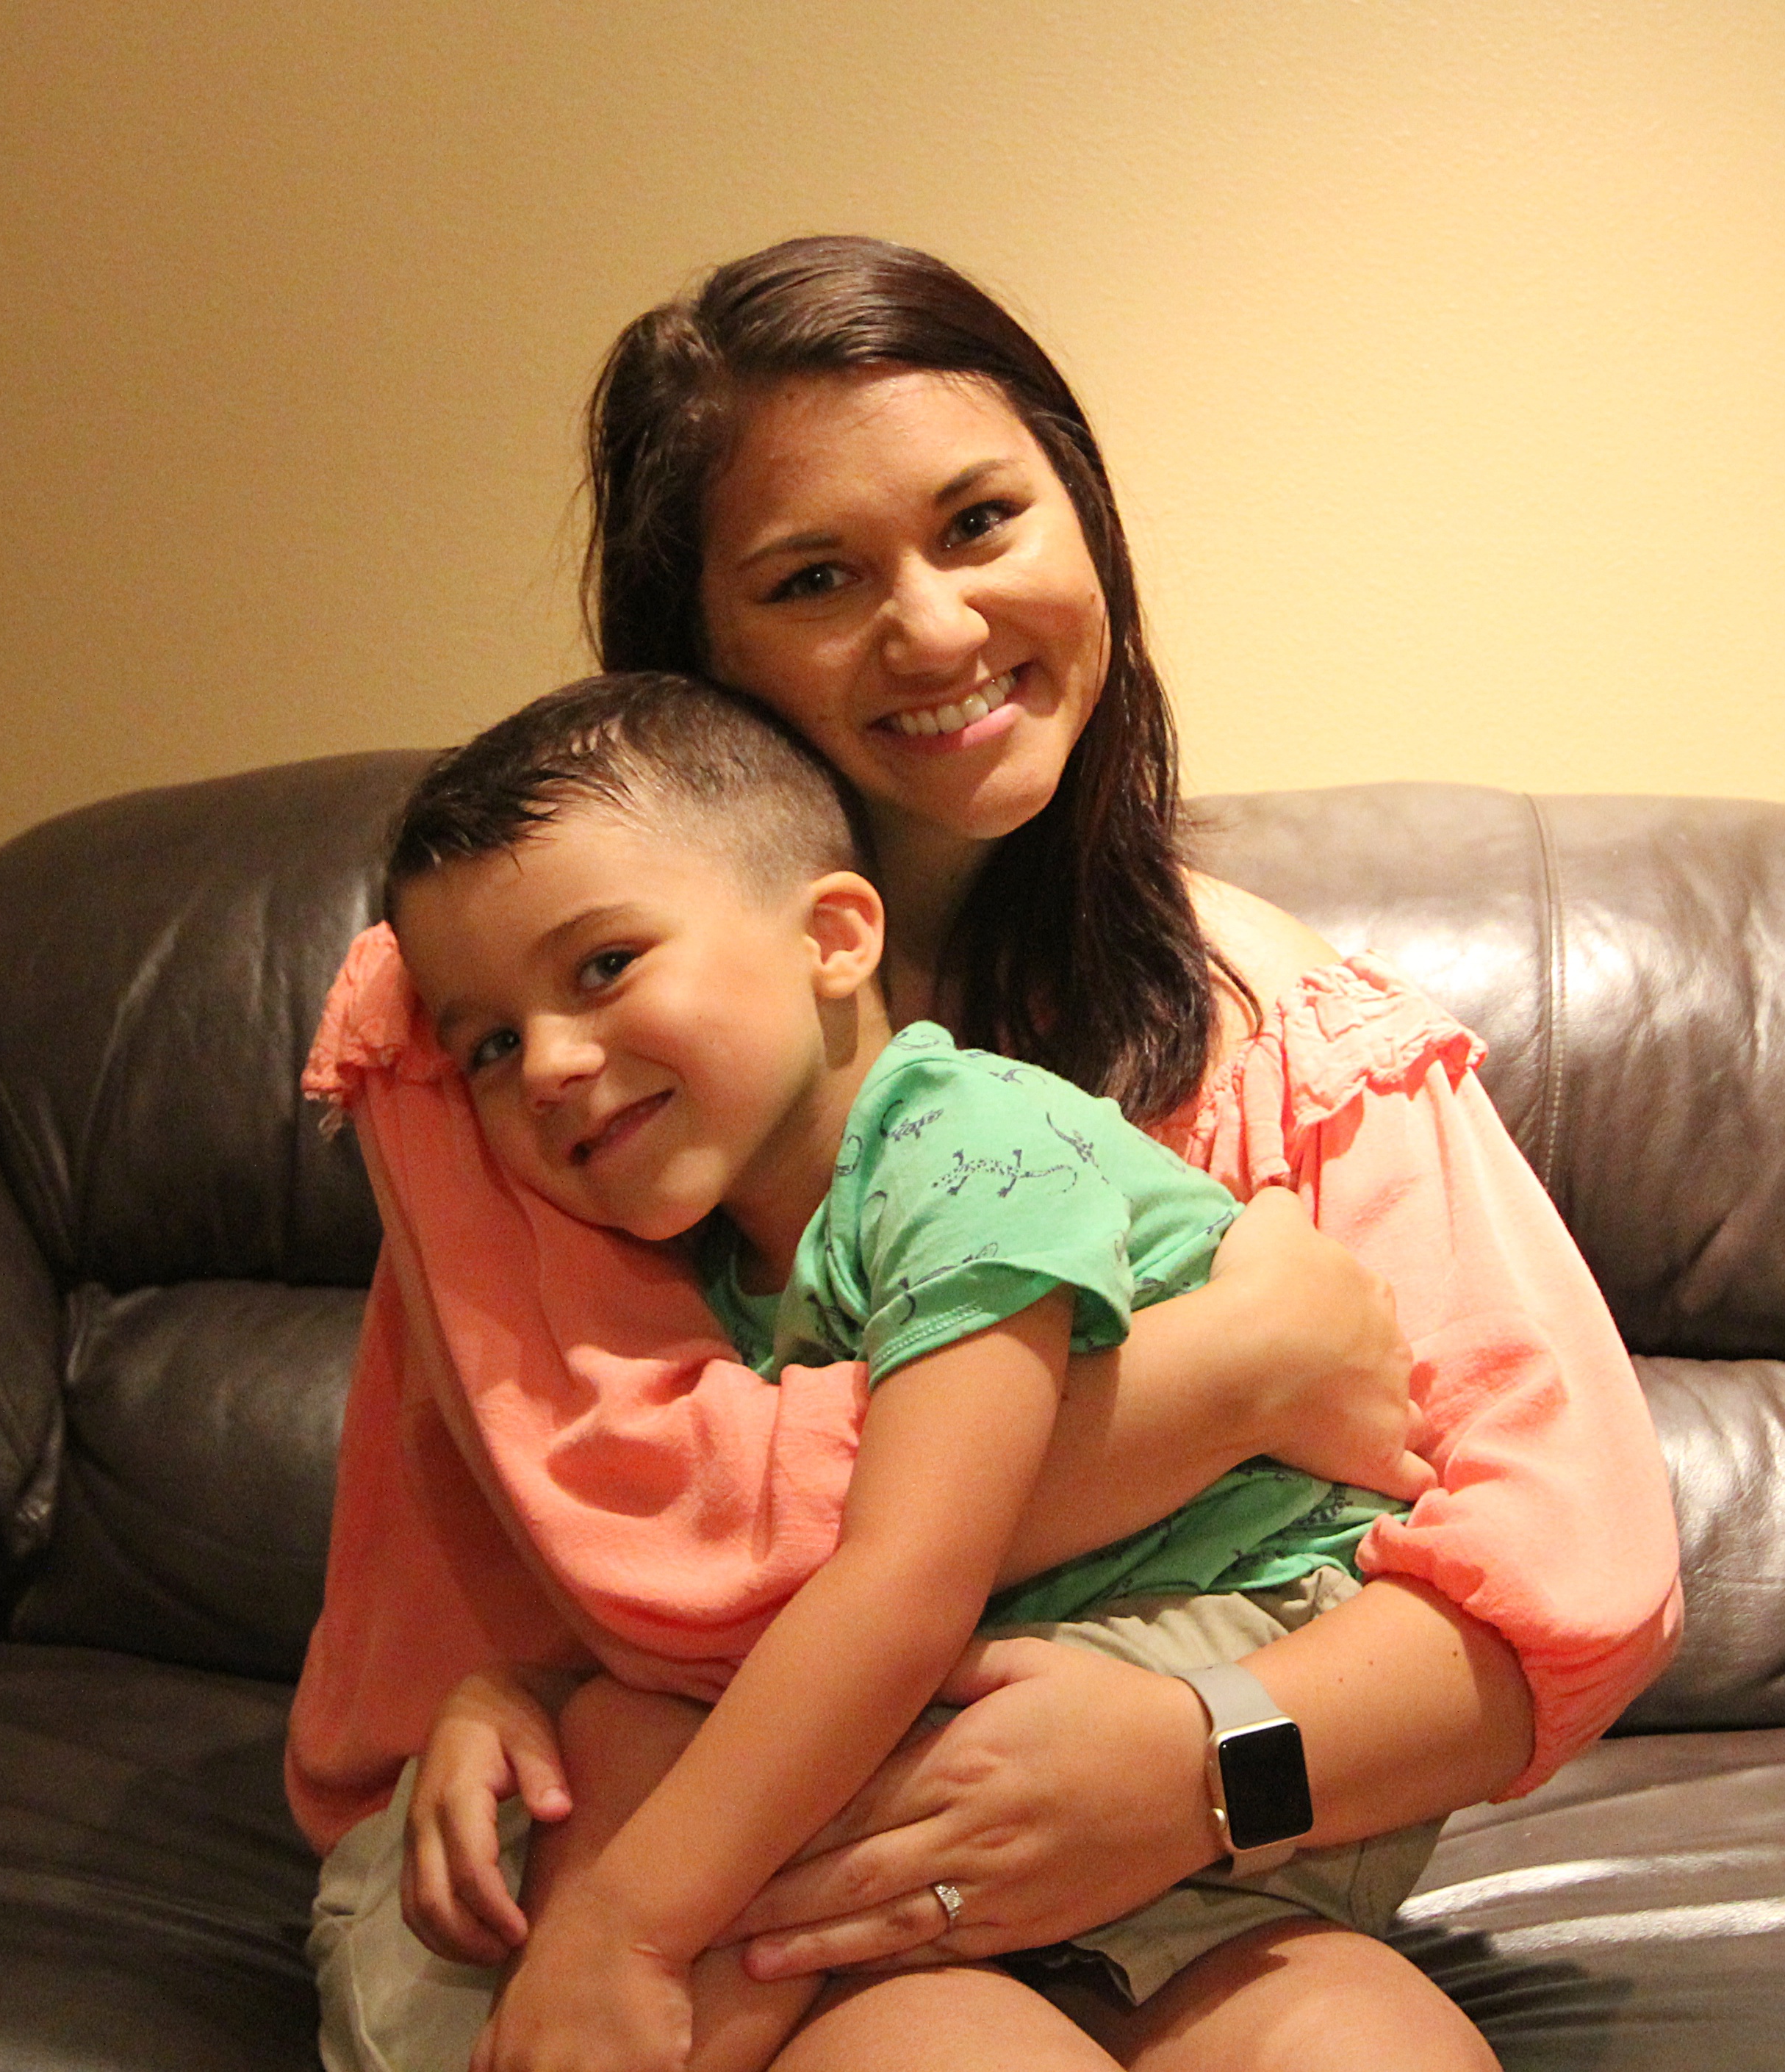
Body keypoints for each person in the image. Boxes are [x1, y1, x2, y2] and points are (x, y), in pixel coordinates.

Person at [288, 234, 1682, 2072]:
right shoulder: (523, 1033)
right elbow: (640, 1545)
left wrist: (1201, 1765)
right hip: (684, 1841)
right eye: (814, 578)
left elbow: (1574, 1572)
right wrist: (1223, 1376)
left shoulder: (1283, 1024)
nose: (939, 630)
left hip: (1200, 1866)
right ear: (697, 649)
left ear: (1082, 517)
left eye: (981, 523)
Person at [383, 669, 1488, 2072]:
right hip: (1111, 1798)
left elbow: (906, 1580)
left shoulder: (963, 1148)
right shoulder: (705, 1263)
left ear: (834, 937)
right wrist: (520, 1696)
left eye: (603, 968)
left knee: (645, 1776)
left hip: (1232, 1664)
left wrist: (631, 1929)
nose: (544, 1062)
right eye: (486, 1043)